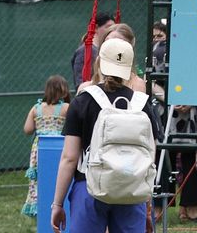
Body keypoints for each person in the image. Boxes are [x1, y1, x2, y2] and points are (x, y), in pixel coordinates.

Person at [50, 38, 153, 233]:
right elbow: (149, 158)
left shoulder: (82, 102)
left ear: (99, 63)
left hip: (89, 187)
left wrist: (57, 204)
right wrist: (147, 207)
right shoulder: (142, 104)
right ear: (130, 68)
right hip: (132, 190)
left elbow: (69, 158)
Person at [22, 76, 73, 218]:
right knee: (59, 177)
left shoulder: (36, 108)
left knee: (39, 179)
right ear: (63, 91)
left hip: (39, 148)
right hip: (60, 147)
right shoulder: (66, 108)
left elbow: (27, 129)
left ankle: (38, 207)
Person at [69, 12, 116, 84]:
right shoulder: (84, 51)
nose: (112, 31)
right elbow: (80, 83)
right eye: (108, 27)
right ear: (96, 28)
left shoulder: (104, 50)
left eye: (113, 28)